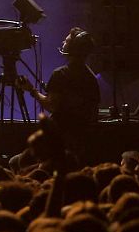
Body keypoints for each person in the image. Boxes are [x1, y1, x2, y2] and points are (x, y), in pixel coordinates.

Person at [26, 26, 101, 156]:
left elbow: (51, 106)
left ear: (74, 48)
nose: (63, 43)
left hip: (58, 140)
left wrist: (31, 90)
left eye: (66, 41)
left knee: (15, 162)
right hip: (80, 142)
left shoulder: (60, 74)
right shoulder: (91, 78)